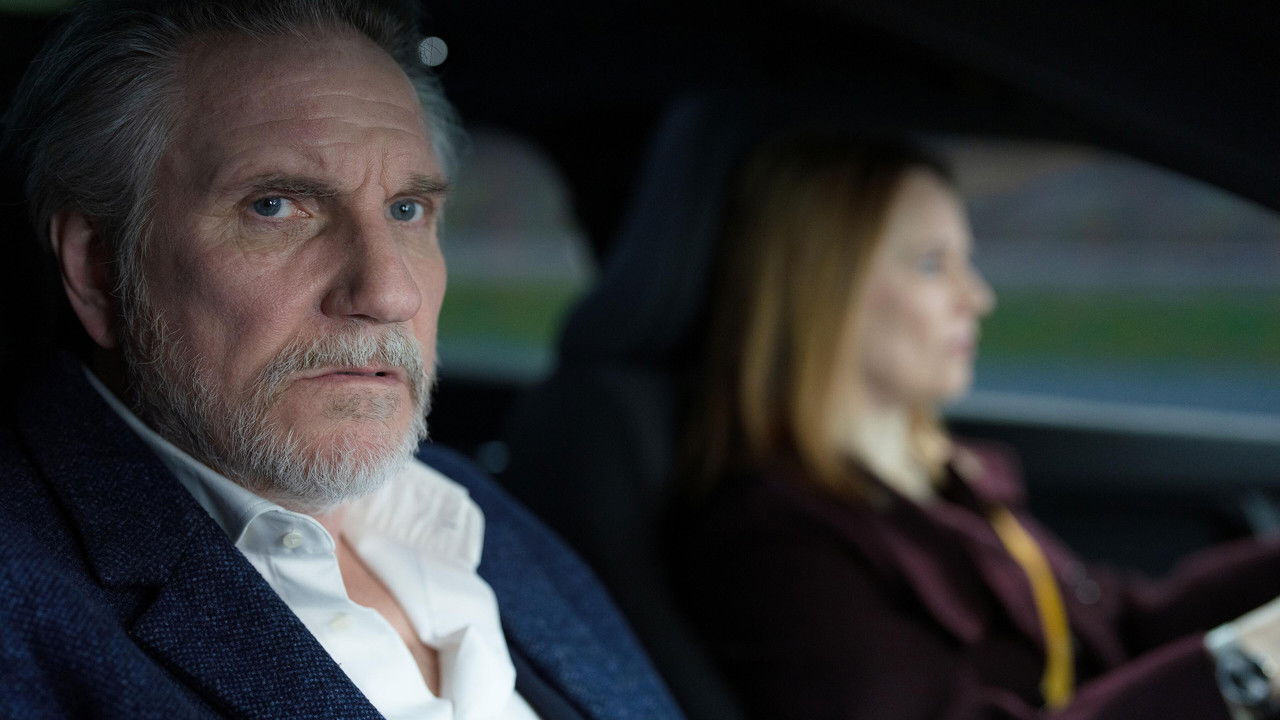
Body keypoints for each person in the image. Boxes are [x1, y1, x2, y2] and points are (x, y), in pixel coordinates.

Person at [0, 1, 683, 719]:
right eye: (274, 206)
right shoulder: (24, 595)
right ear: (98, 267)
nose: (389, 293)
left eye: (407, 211)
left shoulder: (468, 507)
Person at [671, 134, 1280, 720]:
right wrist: (1242, 675)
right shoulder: (776, 548)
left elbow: (1112, 630)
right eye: (932, 264)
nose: (978, 296)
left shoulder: (941, 477)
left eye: (966, 261)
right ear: (820, 285)